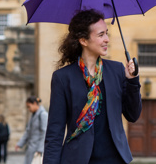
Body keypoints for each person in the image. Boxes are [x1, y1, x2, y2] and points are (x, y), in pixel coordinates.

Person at [44, 9, 142, 164]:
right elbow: (54, 133)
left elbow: (133, 115)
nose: (107, 40)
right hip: (77, 159)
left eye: (107, 33)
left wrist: (132, 81)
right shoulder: (63, 78)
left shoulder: (117, 70)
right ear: (83, 40)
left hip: (115, 159)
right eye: (101, 35)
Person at [16, 96, 48, 164]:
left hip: (37, 150)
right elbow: (28, 131)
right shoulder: (33, 115)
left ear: (34, 103)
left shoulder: (43, 115)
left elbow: (44, 133)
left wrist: (40, 150)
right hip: (31, 148)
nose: (28, 109)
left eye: (29, 106)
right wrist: (20, 143)